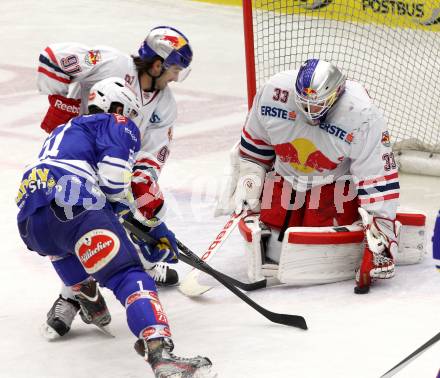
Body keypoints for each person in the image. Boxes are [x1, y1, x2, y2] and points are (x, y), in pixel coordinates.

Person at [16, 77, 214, 378]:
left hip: (31, 221)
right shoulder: (117, 122)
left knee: (65, 243)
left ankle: (84, 293)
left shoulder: (64, 129)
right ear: (117, 106)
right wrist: (156, 230)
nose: (132, 123)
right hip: (76, 204)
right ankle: (161, 355)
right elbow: (113, 188)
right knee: (127, 274)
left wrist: (142, 227)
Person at [36, 25, 192, 336]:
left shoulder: (165, 105)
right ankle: (72, 297)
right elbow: (53, 58)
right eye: (174, 69)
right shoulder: (113, 63)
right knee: (71, 228)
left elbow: (153, 153)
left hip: (117, 168)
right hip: (74, 161)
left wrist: (144, 181)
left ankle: (142, 264)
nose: (175, 77)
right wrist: (62, 103)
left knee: (140, 213)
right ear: (158, 63)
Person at [216, 58, 402, 294]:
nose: (309, 112)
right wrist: (249, 181)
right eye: (303, 103)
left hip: (332, 189)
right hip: (284, 181)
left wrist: (380, 236)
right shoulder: (274, 92)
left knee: (317, 246)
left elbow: (377, 177)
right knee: (274, 244)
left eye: (317, 105)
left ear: (337, 94)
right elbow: (256, 145)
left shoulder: (362, 114)